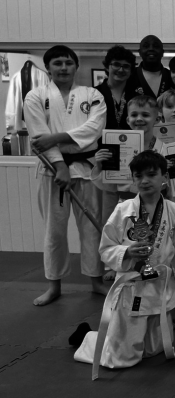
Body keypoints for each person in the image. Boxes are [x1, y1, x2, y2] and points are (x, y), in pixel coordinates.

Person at [70, 151, 175, 371]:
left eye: (151, 175)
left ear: (165, 177)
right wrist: (126, 252)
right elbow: (105, 249)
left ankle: (106, 337)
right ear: (133, 179)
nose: (144, 181)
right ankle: (87, 338)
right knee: (122, 358)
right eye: (138, 176)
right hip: (132, 288)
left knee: (153, 350)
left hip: (160, 287)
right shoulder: (123, 210)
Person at [25, 45, 108, 306]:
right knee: (55, 230)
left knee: (91, 227)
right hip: (52, 171)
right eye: (58, 63)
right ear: (48, 67)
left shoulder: (92, 94)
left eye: (68, 63)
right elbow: (39, 136)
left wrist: (56, 137)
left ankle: (96, 280)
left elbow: (94, 129)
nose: (63, 68)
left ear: (76, 66)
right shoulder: (35, 96)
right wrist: (59, 165)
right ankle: (54, 285)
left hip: (86, 168)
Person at [95, 45, 139, 249]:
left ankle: (133, 255)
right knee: (107, 217)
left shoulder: (136, 94)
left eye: (126, 66)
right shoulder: (95, 94)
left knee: (133, 216)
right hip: (105, 160)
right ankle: (109, 259)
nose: (121, 70)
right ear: (107, 66)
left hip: (132, 159)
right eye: (116, 65)